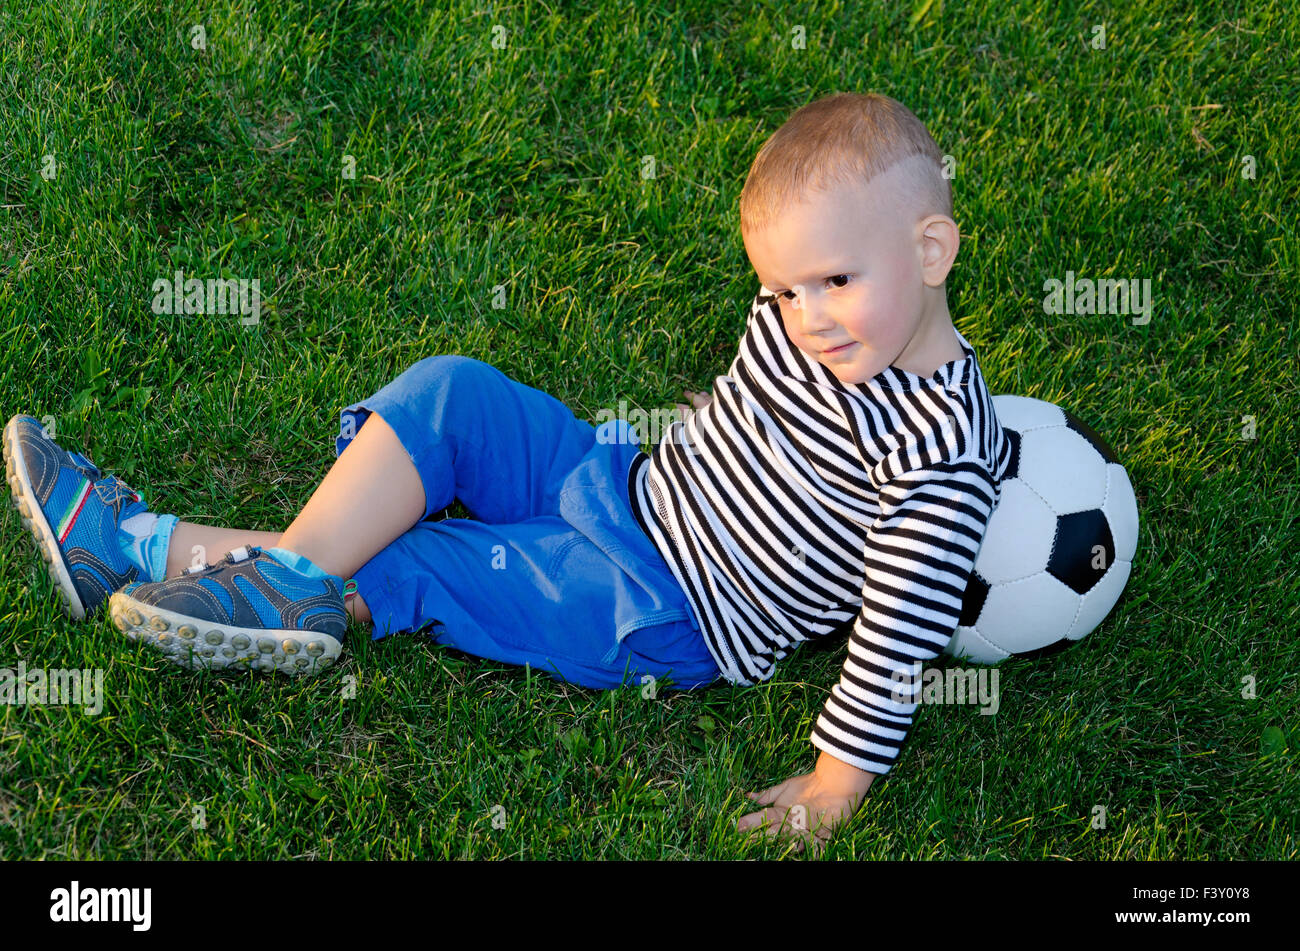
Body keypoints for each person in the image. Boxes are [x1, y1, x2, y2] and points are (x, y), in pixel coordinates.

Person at [5, 91, 1010, 854]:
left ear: (931, 250)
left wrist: (837, 786)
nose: (807, 318)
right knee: (455, 393)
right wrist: (718, 429)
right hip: (624, 484)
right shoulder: (816, 325)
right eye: (783, 290)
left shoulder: (939, 457)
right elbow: (759, 399)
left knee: (431, 562)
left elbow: (895, 633)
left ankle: (138, 546)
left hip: (667, 602)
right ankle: (284, 576)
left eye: (834, 282)